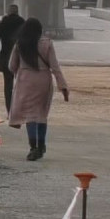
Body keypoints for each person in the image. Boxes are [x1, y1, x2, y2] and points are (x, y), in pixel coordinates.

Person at [8, 17, 69, 161]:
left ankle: (33, 147)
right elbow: (55, 67)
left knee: (30, 116)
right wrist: (63, 86)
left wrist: (21, 71)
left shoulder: (19, 44)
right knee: (41, 114)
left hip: (25, 82)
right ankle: (42, 145)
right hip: (43, 81)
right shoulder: (47, 44)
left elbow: (11, 66)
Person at [0, 4, 25, 114]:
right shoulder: (23, 24)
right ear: (18, 12)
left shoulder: (2, 24)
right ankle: (20, 110)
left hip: (6, 59)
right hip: (21, 59)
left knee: (8, 86)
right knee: (21, 85)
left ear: (8, 12)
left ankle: (10, 111)